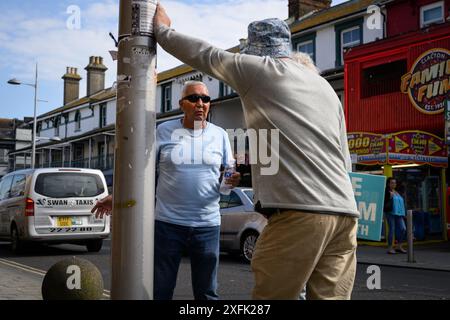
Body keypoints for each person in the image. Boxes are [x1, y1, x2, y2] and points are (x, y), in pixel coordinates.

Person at [154, 5, 359, 300]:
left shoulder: (260, 70)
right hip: (345, 216)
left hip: (300, 214)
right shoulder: (324, 86)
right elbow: (345, 157)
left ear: (256, 51)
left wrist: (163, 32)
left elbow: (205, 55)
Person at [92, 81, 241, 300]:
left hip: (207, 225)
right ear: (182, 104)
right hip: (168, 225)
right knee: (161, 290)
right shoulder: (163, 131)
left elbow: (227, 176)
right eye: (194, 98)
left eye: (205, 99)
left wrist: (231, 181)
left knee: (207, 293)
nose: (200, 103)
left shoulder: (219, 135)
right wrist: (118, 196)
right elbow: (143, 174)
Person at [384, 177, 407, 254]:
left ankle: (398, 246)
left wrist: (404, 213)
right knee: (392, 230)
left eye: (395, 183)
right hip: (390, 213)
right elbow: (384, 201)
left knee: (403, 229)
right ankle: (390, 247)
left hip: (399, 214)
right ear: (388, 184)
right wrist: (389, 196)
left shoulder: (397, 192)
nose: (394, 184)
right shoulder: (387, 191)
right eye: (392, 183)